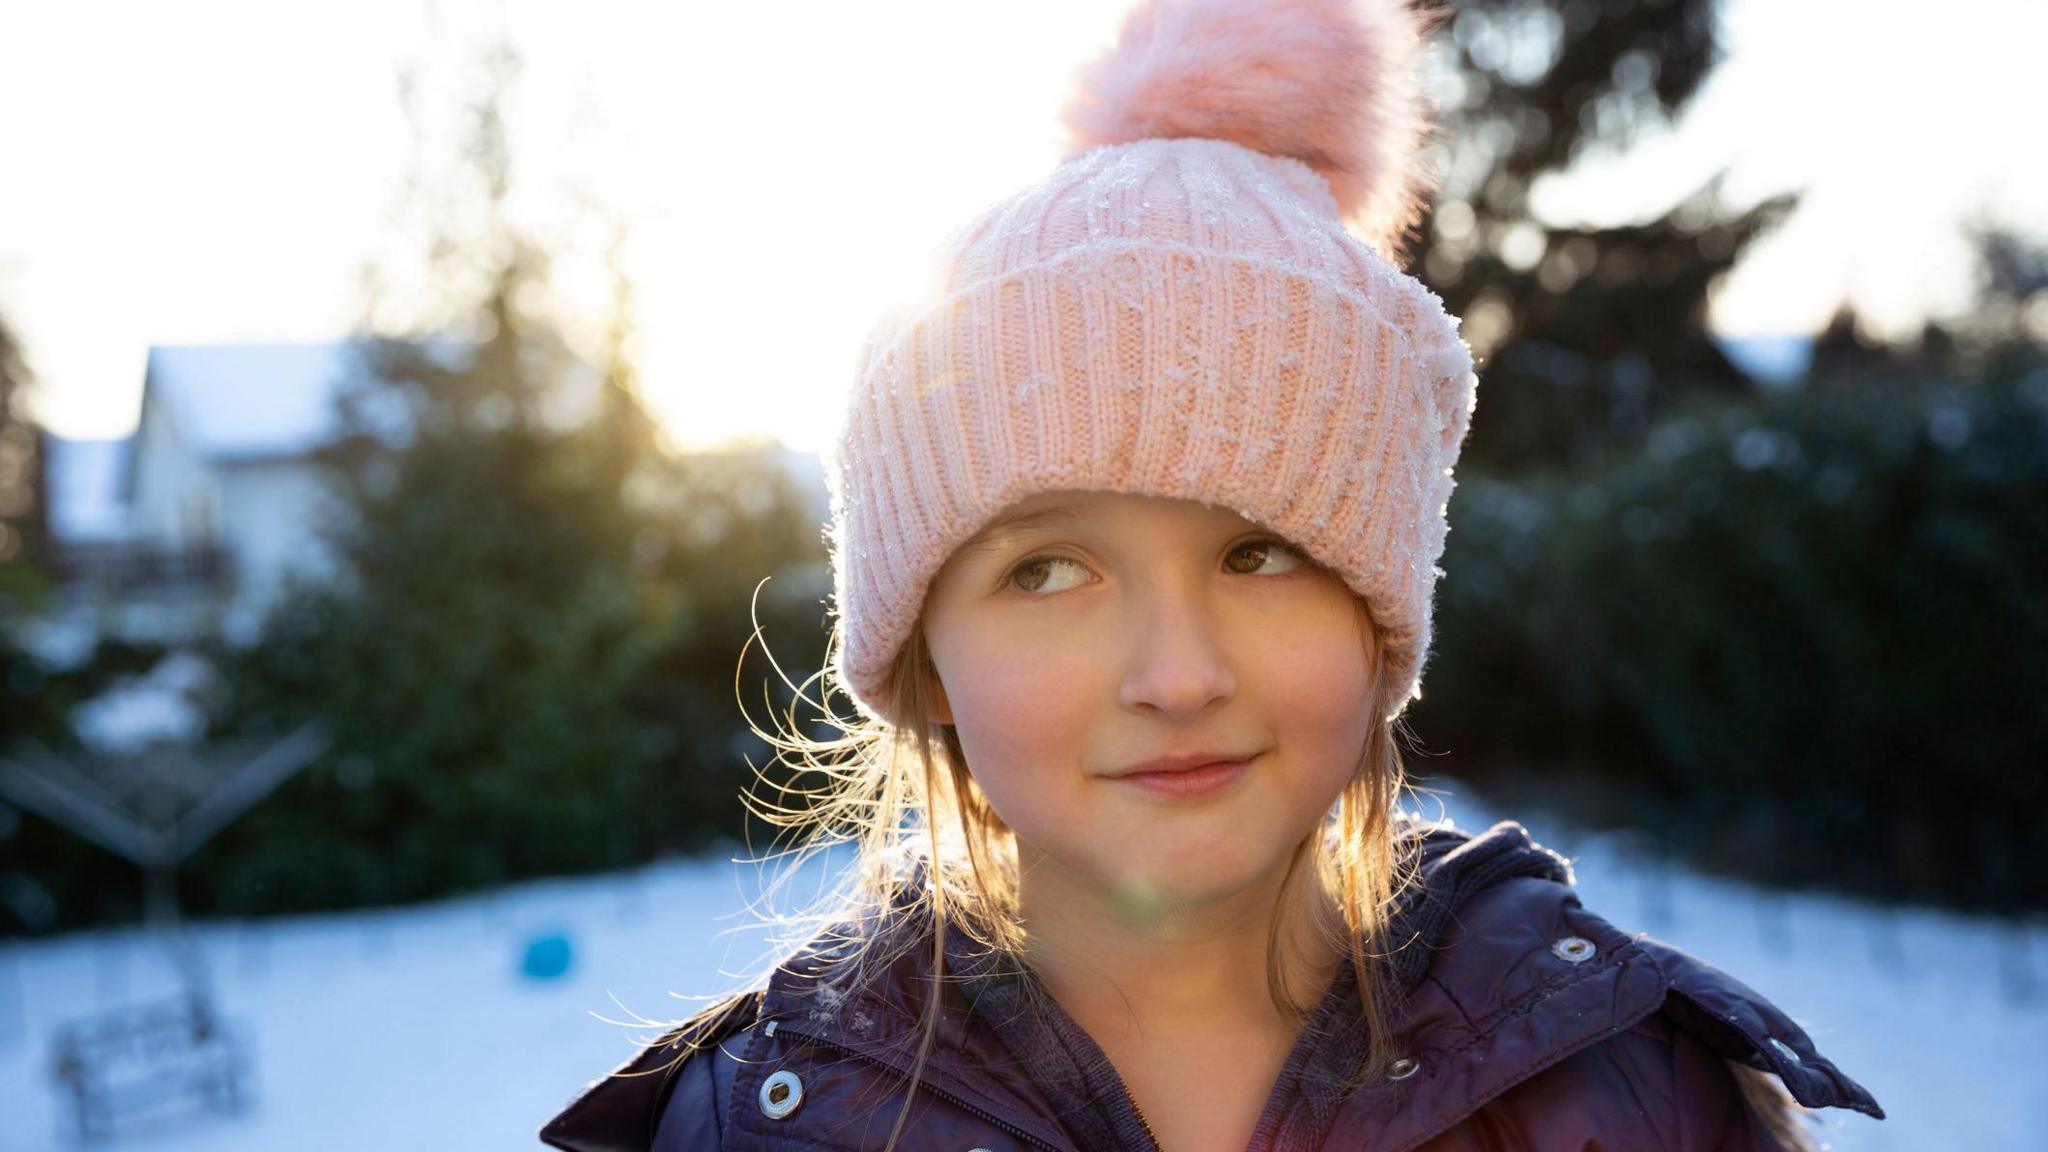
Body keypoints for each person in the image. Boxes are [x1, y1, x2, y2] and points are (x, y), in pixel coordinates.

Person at [541, 0, 1883, 1148]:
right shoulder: (764, 1125)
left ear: (1378, 614)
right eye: (1048, 570)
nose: (1177, 675)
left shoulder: (1628, 1093)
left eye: (1262, 551)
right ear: (920, 656)